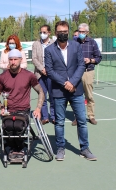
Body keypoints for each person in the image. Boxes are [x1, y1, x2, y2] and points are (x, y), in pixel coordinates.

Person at [45, 21, 97, 161]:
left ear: (68, 32)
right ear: (56, 33)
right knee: (60, 122)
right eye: (60, 31)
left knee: (81, 121)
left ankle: (84, 149)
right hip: (58, 91)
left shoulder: (76, 46)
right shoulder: (49, 50)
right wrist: (65, 83)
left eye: (65, 31)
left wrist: (73, 82)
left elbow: (81, 65)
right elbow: (50, 71)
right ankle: (60, 148)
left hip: (76, 90)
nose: (63, 34)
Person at [0, 49, 44, 158]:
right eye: (11, 59)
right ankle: (12, 148)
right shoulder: (2, 77)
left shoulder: (29, 76)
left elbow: (40, 91)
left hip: (23, 110)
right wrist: (1, 107)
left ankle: (19, 147)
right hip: (8, 111)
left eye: (15, 59)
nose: (13, 62)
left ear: (20, 60)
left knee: (17, 125)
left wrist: (38, 108)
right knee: (8, 125)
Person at [71, 23, 102, 126]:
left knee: (89, 95)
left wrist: (90, 60)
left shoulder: (92, 43)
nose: (81, 33)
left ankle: (91, 116)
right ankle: (77, 117)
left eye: (83, 32)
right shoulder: (74, 42)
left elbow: (98, 57)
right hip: (76, 73)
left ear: (87, 32)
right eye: (79, 31)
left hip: (88, 72)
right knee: (76, 96)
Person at [32, 25, 55, 125]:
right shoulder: (36, 44)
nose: (42, 34)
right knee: (42, 95)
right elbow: (34, 59)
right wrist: (42, 69)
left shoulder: (54, 43)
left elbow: (56, 58)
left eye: (45, 32)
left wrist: (48, 70)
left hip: (51, 74)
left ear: (49, 33)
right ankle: (45, 117)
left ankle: (54, 116)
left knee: (53, 96)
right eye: (41, 32)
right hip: (39, 74)